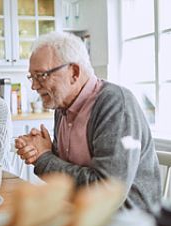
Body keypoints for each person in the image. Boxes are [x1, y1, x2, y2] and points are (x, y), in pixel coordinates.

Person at [15, 31, 161, 211]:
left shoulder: (115, 104)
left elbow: (105, 191)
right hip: (78, 213)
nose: (34, 86)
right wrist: (44, 150)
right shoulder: (61, 107)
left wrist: (44, 158)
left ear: (74, 72)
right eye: (32, 77)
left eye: (41, 76)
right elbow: (70, 169)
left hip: (124, 219)